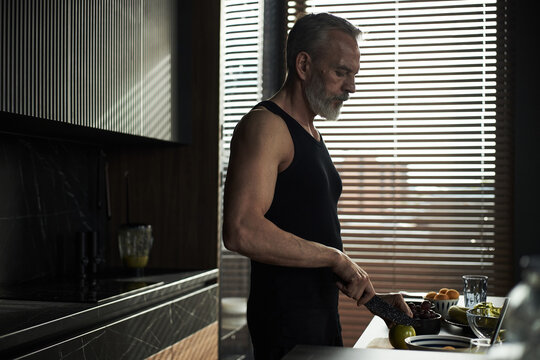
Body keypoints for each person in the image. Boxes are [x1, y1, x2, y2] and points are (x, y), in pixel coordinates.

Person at [222, 13, 413, 359]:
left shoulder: (311, 134)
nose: (351, 87)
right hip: (286, 332)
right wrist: (334, 257)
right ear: (304, 65)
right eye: (341, 72)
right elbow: (241, 230)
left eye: (354, 75)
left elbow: (307, 240)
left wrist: (381, 304)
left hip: (320, 323)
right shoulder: (266, 126)